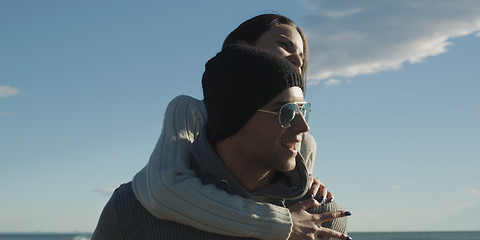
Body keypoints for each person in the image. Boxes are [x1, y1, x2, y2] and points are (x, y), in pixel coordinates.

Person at [92, 45, 352, 240]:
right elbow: (166, 187)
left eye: (302, 111)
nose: (303, 127)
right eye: (285, 113)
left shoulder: (322, 219)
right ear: (235, 118)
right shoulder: (131, 211)